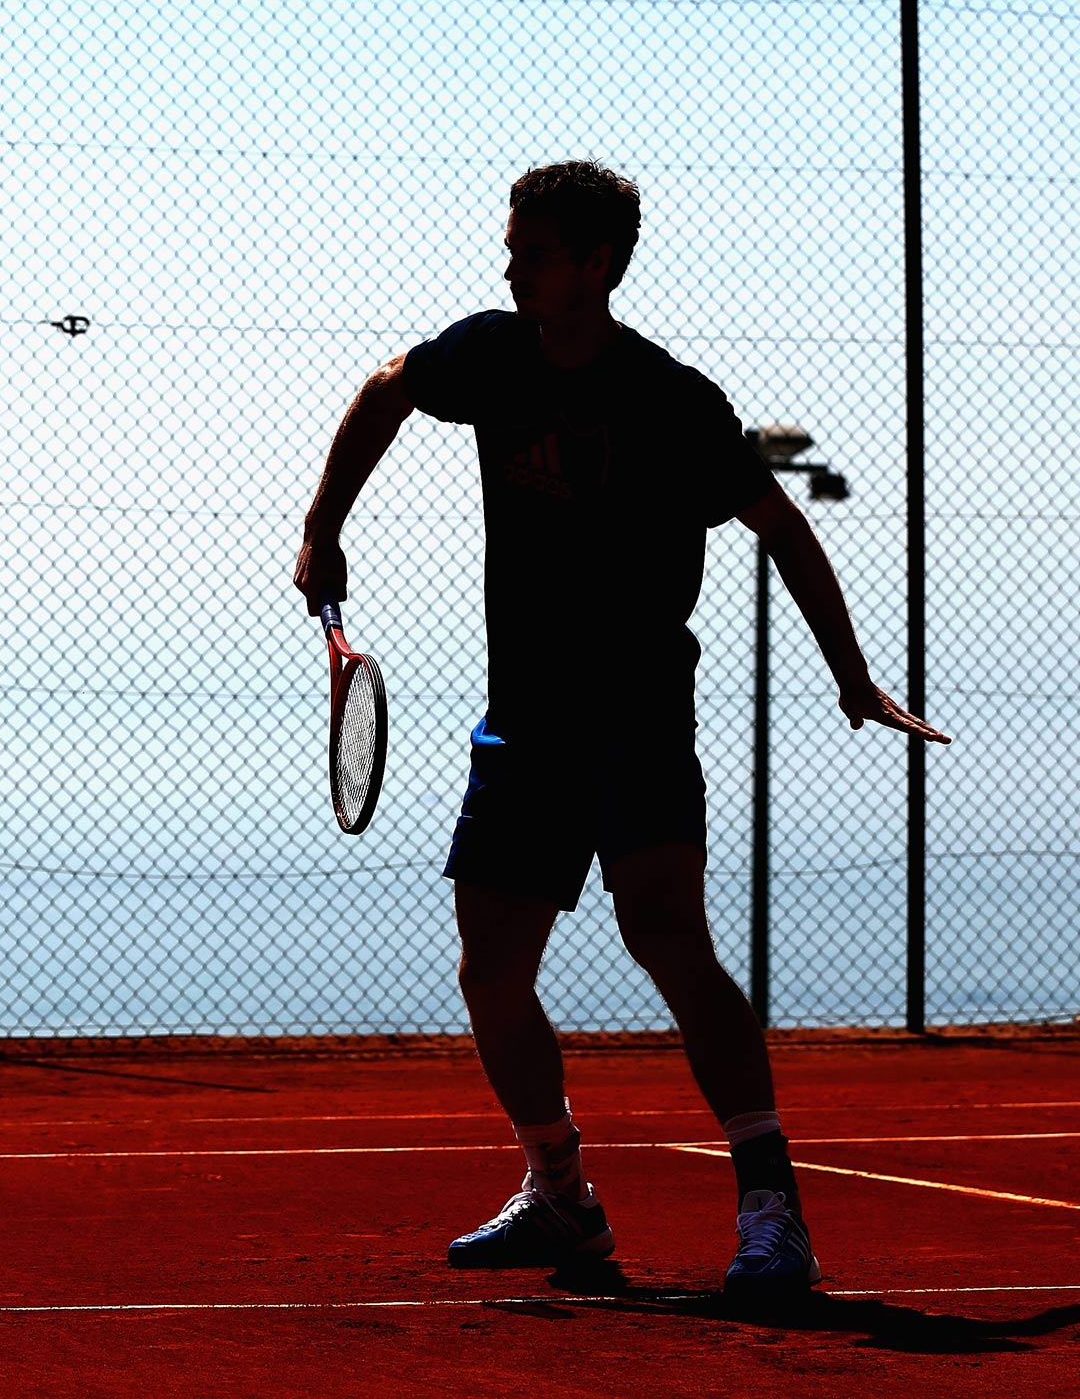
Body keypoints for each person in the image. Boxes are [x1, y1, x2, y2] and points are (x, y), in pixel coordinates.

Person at [292, 160, 950, 1296]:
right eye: (511, 246)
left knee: (665, 937)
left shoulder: (671, 400)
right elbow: (387, 387)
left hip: (637, 717)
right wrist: (320, 527)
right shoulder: (488, 355)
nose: (509, 266)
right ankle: (559, 1198)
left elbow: (782, 528)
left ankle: (768, 1210)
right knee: (490, 972)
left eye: (532, 252)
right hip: (522, 726)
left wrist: (849, 678)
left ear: (594, 266)